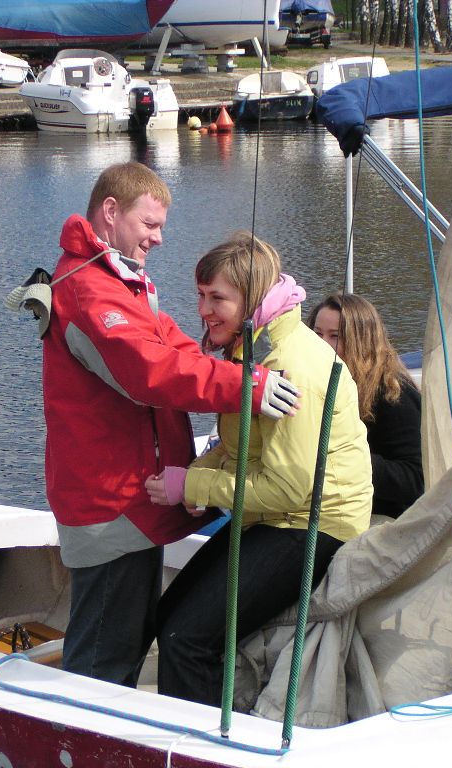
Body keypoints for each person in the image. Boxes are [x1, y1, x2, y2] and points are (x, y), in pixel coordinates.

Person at [42, 163, 301, 688]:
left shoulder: (117, 279)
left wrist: (235, 371)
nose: (158, 238)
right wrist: (246, 387)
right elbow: (148, 372)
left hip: (130, 502)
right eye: (150, 224)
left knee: (124, 642)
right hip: (111, 509)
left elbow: (172, 345)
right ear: (111, 212)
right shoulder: (91, 290)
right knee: (102, 665)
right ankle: (80, 731)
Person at [145, 232, 372, 706]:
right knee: (167, 619)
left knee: (187, 639)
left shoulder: (289, 367)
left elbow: (290, 489)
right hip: (272, 518)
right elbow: (241, 447)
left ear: (251, 299)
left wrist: (194, 484)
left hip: (314, 524)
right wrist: (197, 475)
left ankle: (200, 741)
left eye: (218, 299)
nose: (204, 310)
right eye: (201, 296)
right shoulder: (253, 347)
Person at [308, 292, 423, 519]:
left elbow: (415, 480)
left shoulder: (393, 394)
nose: (322, 344)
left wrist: (349, 457)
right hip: (328, 504)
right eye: (317, 333)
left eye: (335, 336)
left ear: (361, 341)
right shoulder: (312, 381)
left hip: (383, 516)